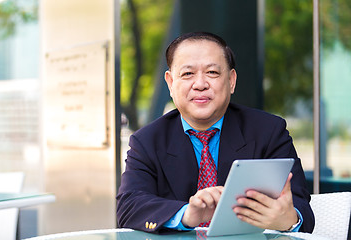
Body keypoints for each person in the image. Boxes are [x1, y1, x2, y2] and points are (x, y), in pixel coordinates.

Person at [116, 32, 315, 233]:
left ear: (231, 80)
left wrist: (288, 220)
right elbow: (129, 207)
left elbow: (302, 210)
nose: (200, 84)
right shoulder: (147, 141)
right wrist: (186, 214)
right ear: (170, 83)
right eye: (187, 74)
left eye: (212, 72)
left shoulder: (269, 131)